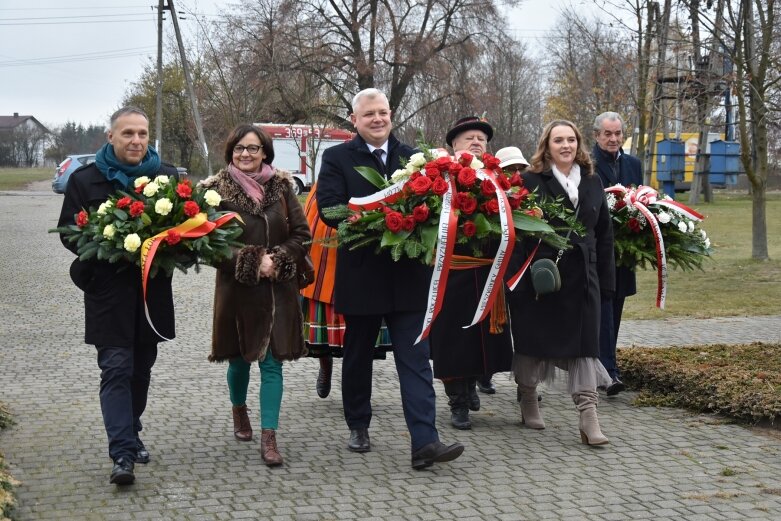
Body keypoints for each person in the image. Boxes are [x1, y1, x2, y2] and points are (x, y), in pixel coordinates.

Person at [316, 88, 464, 469]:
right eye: (369, 115)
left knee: (415, 359)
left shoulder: (415, 157)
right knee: (358, 355)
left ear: (392, 114)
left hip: (409, 276)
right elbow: (330, 209)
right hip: (363, 275)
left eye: (383, 112)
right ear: (355, 119)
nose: (377, 119)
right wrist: (377, 220)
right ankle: (358, 423)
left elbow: (435, 205)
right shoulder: (336, 158)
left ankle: (425, 442)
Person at [57, 106, 179, 485]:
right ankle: (122, 452)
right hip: (107, 292)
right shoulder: (86, 179)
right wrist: (106, 245)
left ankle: (132, 428)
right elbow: (67, 232)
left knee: (141, 368)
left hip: (150, 292)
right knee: (116, 368)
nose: (136, 140)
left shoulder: (166, 176)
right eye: (128, 133)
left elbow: (185, 230)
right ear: (110, 137)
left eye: (142, 134)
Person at [199, 124, 311, 467]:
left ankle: (269, 437)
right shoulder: (213, 191)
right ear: (231, 152)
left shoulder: (282, 188)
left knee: (272, 363)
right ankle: (239, 410)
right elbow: (207, 243)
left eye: (253, 148)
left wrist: (276, 260)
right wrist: (250, 261)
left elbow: (303, 234)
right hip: (238, 290)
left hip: (278, 289)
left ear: (265, 153)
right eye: (239, 149)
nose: (245, 154)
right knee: (238, 360)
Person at [507, 119, 615, 445]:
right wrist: (518, 281)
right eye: (558, 141)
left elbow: (604, 234)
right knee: (532, 343)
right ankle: (527, 396)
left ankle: (588, 415)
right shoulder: (529, 180)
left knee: (585, 346)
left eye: (571, 140)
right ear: (547, 146)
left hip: (584, 277)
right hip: (542, 276)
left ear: (579, 144)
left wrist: (607, 281)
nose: (566, 146)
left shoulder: (593, 181)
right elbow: (518, 232)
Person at [428, 117, 514, 430]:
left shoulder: (497, 178)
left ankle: (473, 383)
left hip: (488, 272)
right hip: (453, 273)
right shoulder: (440, 176)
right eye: (469, 138)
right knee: (454, 342)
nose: (476, 142)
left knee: (485, 340)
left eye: (481, 138)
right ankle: (458, 402)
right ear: (454, 145)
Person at [300, 187, 392, 399]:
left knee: (363, 332)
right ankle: (325, 364)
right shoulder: (328, 172)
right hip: (325, 234)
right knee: (320, 312)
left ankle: (356, 390)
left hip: (362, 212)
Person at [592, 112, 643, 396]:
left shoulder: (633, 164)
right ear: (597, 136)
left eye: (617, 133)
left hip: (624, 255)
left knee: (617, 309)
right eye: (607, 134)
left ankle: (607, 365)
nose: (613, 139)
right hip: (599, 252)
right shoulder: (587, 164)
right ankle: (607, 371)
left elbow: (643, 199)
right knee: (603, 311)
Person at [494, 145, 533, 405]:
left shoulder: (530, 198)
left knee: (524, 331)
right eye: (510, 169)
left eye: (520, 168)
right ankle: (483, 376)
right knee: (495, 328)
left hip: (522, 273)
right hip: (494, 272)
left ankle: (525, 384)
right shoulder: (489, 196)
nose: (516, 174)